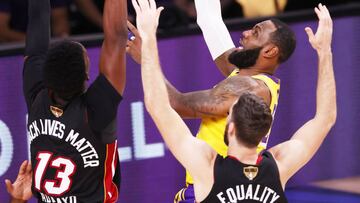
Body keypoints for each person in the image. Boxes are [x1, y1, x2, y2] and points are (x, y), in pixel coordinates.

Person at [134, 0, 336, 202]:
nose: (246, 33)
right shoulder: (248, 76)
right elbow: (210, 20)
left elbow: (173, 105)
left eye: (256, 32)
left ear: (269, 51)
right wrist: (324, 50)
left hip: (211, 182)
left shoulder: (248, 88)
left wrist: (147, 53)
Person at [22, 0, 127, 201]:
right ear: (86, 77)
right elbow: (115, 37)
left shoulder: (37, 98)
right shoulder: (95, 111)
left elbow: (36, 26)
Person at [0, 0, 70, 43]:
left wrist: (62, 41)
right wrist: (36, 43)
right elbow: (2, 31)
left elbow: (60, 24)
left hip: (49, 48)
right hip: (13, 51)